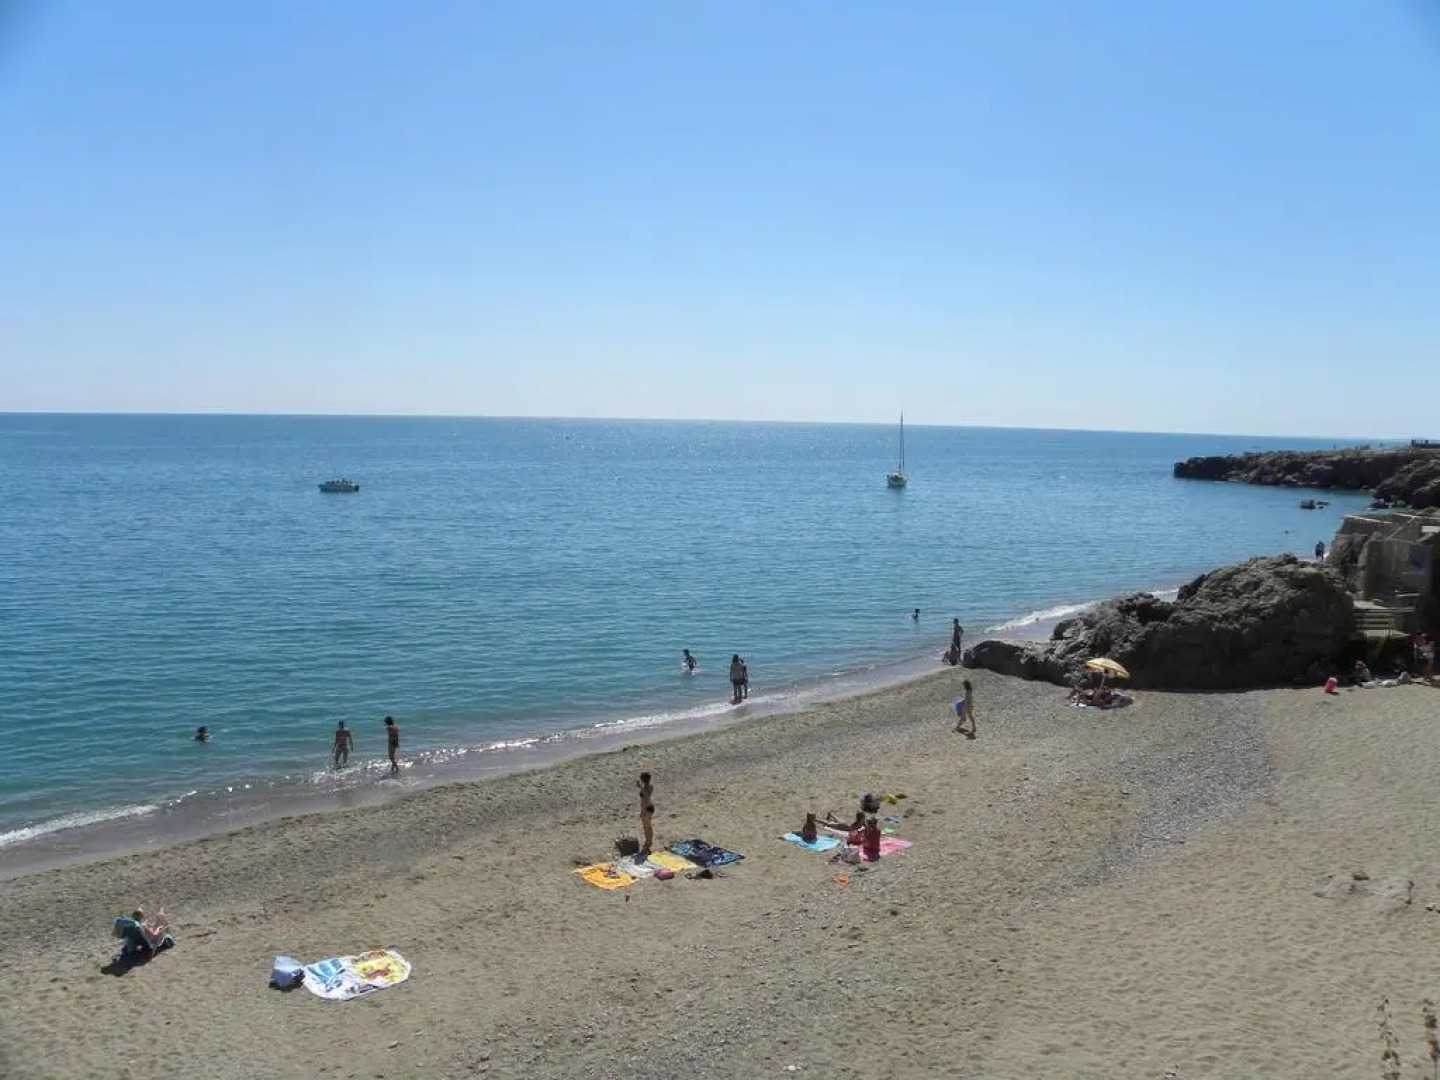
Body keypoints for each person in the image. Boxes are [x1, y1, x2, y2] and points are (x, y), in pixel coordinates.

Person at [638, 772, 655, 854]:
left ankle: (648, 843)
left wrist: (643, 811)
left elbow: (646, 799)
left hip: (646, 808)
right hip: (649, 807)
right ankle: (648, 842)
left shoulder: (646, 789)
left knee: (646, 827)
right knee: (648, 827)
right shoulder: (649, 786)